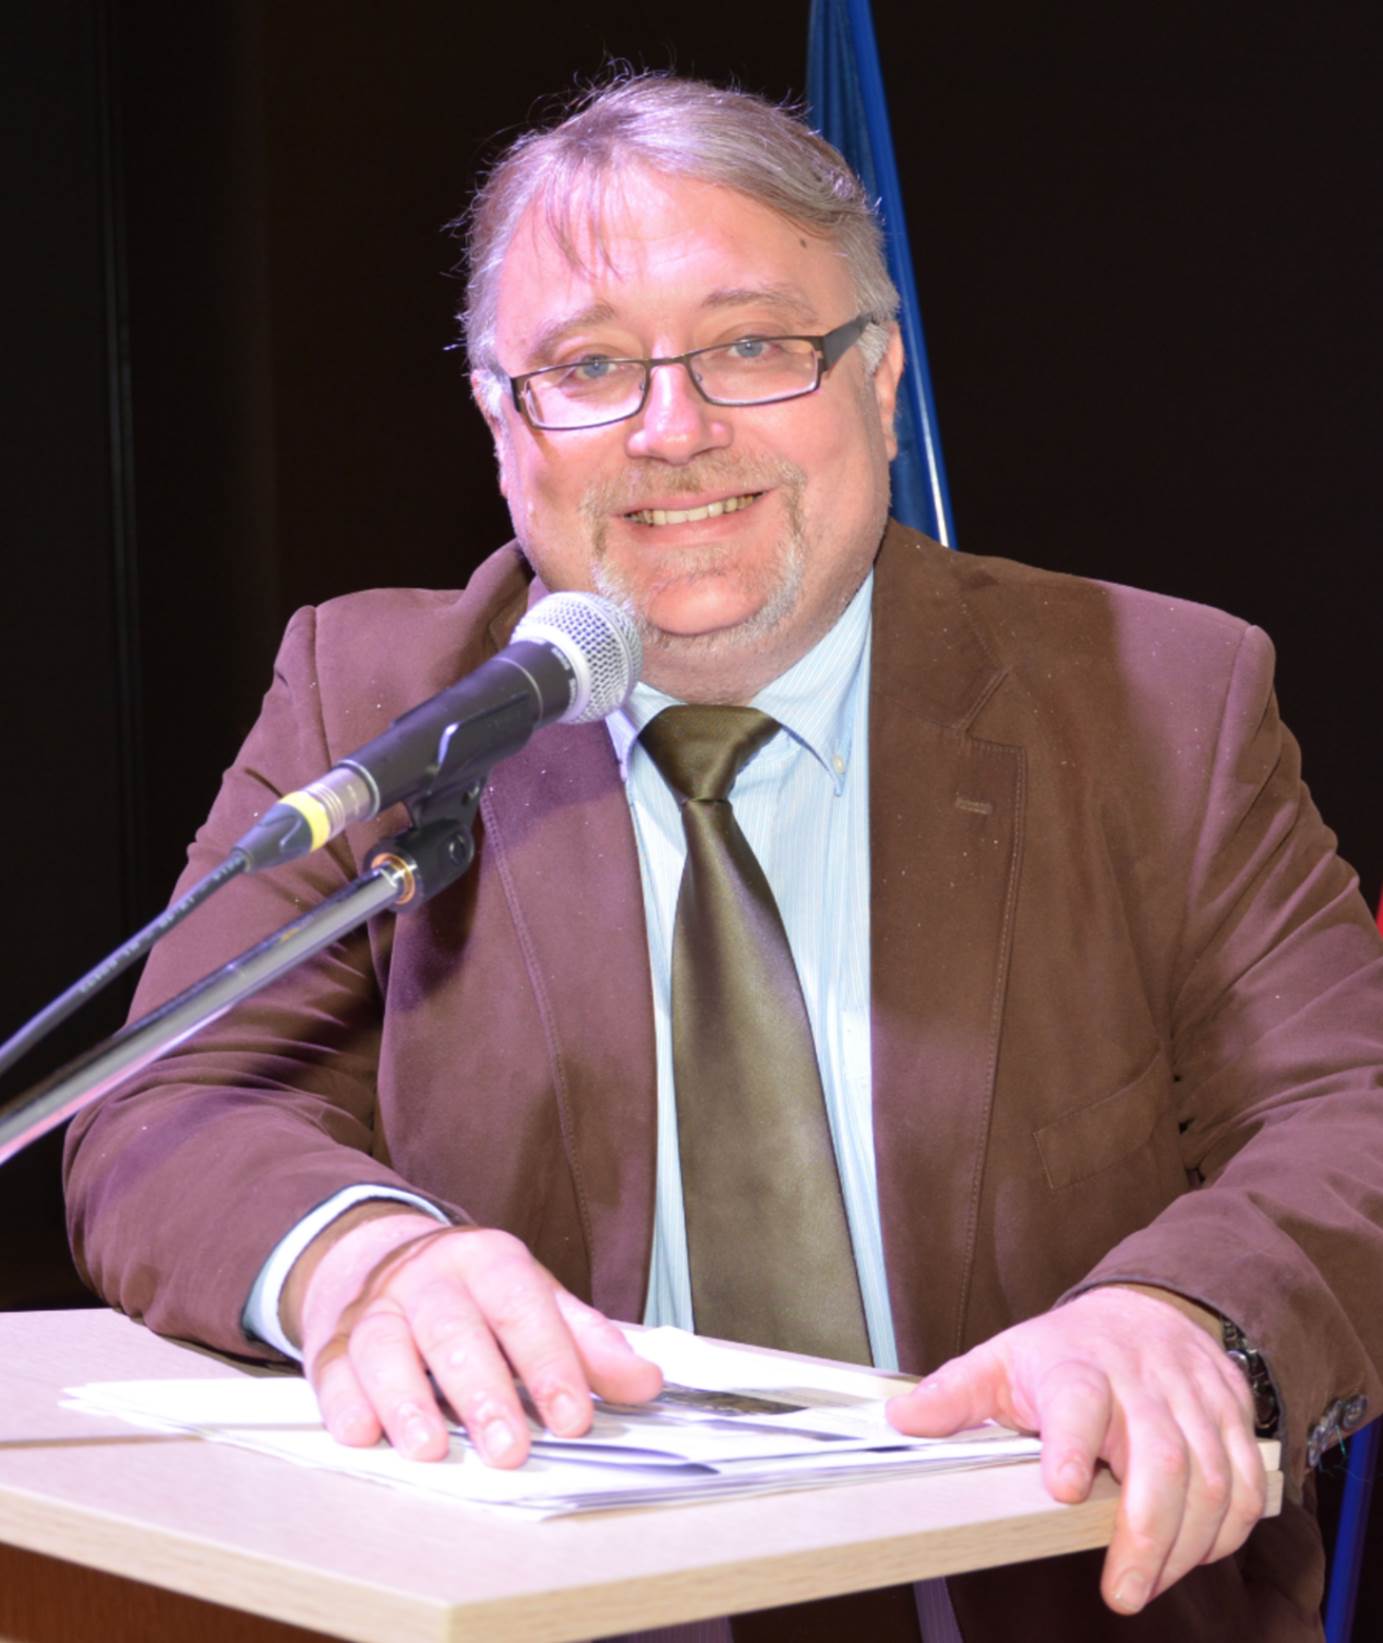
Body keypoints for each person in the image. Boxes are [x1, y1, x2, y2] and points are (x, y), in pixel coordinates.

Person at [64, 74, 1383, 1642]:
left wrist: (1185, 1315)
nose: (673, 433)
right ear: (503, 424)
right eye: (587, 368)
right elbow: (167, 1104)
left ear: (879, 377)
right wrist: (362, 1263)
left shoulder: (1160, 698)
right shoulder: (382, 702)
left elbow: (1347, 1108)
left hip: (1061, 1595)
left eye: (752, 347)